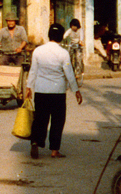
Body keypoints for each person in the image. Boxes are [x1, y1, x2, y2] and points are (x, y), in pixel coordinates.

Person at [25, 23, 82, 159]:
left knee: (40, 119)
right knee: (57, 121)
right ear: (62, 37)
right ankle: (54, 150)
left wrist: (28, 87)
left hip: (41, 90)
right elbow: (69, 73)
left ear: (49, 35)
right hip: (58, 92)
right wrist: (76, 90)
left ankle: (35, 142)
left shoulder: (38, 51)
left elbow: (33, 71)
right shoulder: (63, 53)